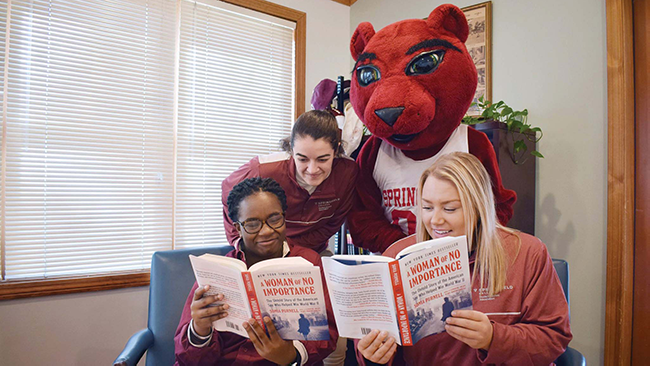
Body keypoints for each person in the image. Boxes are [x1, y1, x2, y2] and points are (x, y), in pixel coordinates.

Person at [356, 152, 572, 365]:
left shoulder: (527, 253)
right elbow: (373, 340)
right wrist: (373, 355)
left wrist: (492, 338)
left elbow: (553, 339)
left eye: (450, 208)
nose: (435, 220)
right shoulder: (398, 256)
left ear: (478, 208)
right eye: (427, 207)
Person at [175, 177, 338, 365]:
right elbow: (186, 359)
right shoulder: (218, 271)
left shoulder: (308, 262)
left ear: (284, 217)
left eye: (275, 219)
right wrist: (199, 329)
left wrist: (291, 355)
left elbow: (328, 333)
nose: (267, 231)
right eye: (252, 224)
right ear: (238, 228)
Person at [221, 110, 359, 254]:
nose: (312, 170)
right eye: (302, 159)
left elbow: (333, 223)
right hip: (265, 251)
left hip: (312, 251)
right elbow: (228, 192)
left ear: (336, 150)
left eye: (323, 159)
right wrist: (238, 239)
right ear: (291, 150)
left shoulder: (347, 172)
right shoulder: (262, 169)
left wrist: (293, 250)